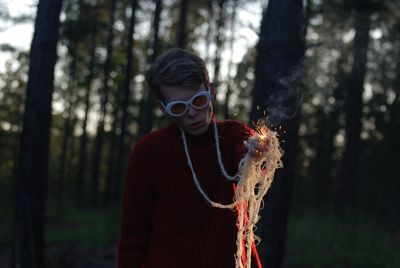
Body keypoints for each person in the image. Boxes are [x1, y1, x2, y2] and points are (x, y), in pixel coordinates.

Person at [118, 48, 266, 268]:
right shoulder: (148, 152)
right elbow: (133, 236)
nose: (191, 113)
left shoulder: (231, 135)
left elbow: (244, 149)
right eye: (178, 107)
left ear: (211, 91)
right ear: (163, 108)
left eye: (198, 101)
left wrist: (253, 153)